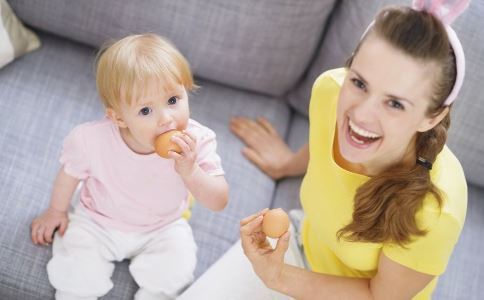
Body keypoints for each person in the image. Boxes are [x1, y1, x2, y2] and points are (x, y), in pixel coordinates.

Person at [185, 2, 468, 300]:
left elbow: (380, 296)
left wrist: (279, 277)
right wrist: (289, 163)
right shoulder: (330, 91)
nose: (361, 115)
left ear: (432, 116)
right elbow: (329, 135)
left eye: (395, 103)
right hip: (302, 246)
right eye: (359, 83)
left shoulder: (436, 210)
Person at [30, 33, 229, 300]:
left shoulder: (198, 141)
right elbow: (69, 174)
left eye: (173, 100)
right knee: (75, 273)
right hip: (98, 220)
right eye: (146, 110)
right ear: (118, 118)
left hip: (162, 226)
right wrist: (56, 210)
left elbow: (219, 201)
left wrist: (191, 171)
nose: (166, 120)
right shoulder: (91, 140)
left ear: (186, 90)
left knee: (175, 271)